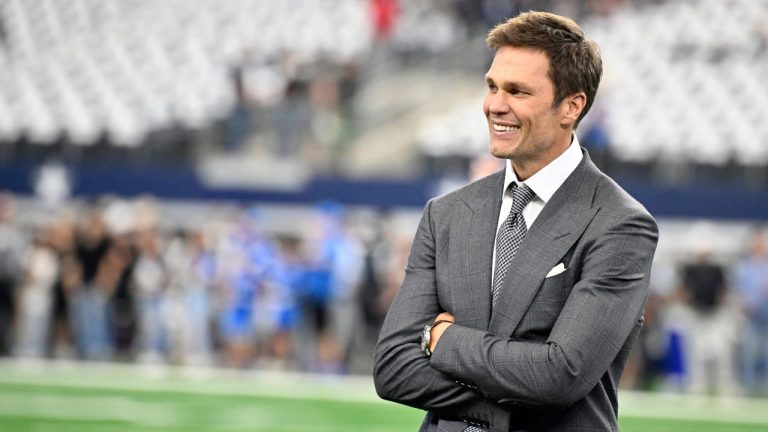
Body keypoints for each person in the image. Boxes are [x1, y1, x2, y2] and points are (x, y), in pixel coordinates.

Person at [373, 11, 659, 432]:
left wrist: (443, 341)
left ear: (571, 106)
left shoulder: (620, 224)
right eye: (492, 86)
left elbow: (560, 374)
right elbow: (393, 367)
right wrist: (509, 397)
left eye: (517, 91)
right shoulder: (446, 213)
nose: (495, 105)